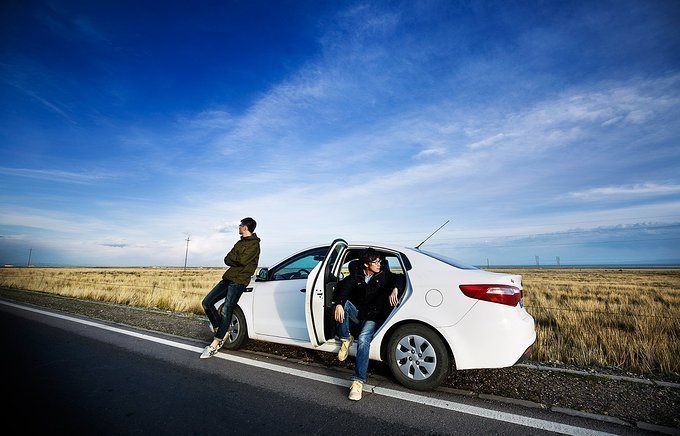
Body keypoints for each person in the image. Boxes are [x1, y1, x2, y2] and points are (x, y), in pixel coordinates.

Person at [334, 247, 404, 400]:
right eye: (376, 261)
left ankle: (358, 381)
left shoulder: (384, 275)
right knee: (341, 305)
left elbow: (401, 277)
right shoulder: (357, 275)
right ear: (366, 264)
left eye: (379, 261)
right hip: (360, 313)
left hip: (374, 316)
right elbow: (344, 288)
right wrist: (339, 303)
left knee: (364, 339)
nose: (379, 263)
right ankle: (346, 338)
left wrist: (395, 289)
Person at [200, 217, 260, 359]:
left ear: (246, 227)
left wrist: (236, 259)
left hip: (239, 280)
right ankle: (221, 329)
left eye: (240, 225)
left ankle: (215, 344)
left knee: (227, 310)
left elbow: (243, 261)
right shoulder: (239, 243)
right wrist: (236, 259)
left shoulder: (254, 245)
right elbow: (227, 259)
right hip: (228, 278)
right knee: (207, 302)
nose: (239, 227)